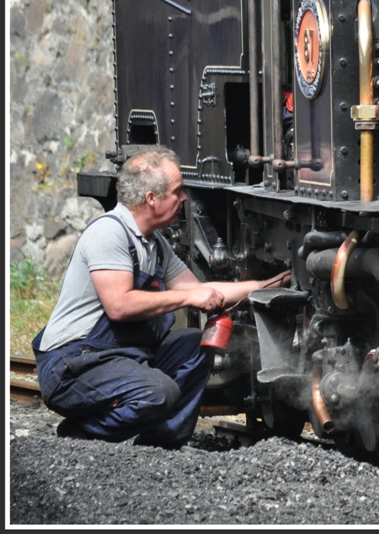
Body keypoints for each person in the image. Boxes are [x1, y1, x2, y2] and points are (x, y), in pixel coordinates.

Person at [32, 146, 290, 448]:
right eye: (177, 192)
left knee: (196, 343)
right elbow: (119, 306)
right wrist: (186, 299)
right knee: (158, 394)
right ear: (151, 199)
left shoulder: (154, 244)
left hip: (119, 356)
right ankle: (81, 434)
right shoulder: (109, 234)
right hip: (73, 364)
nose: (184, 198)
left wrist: (265, 285)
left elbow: (200, 289)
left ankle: (162, 443)